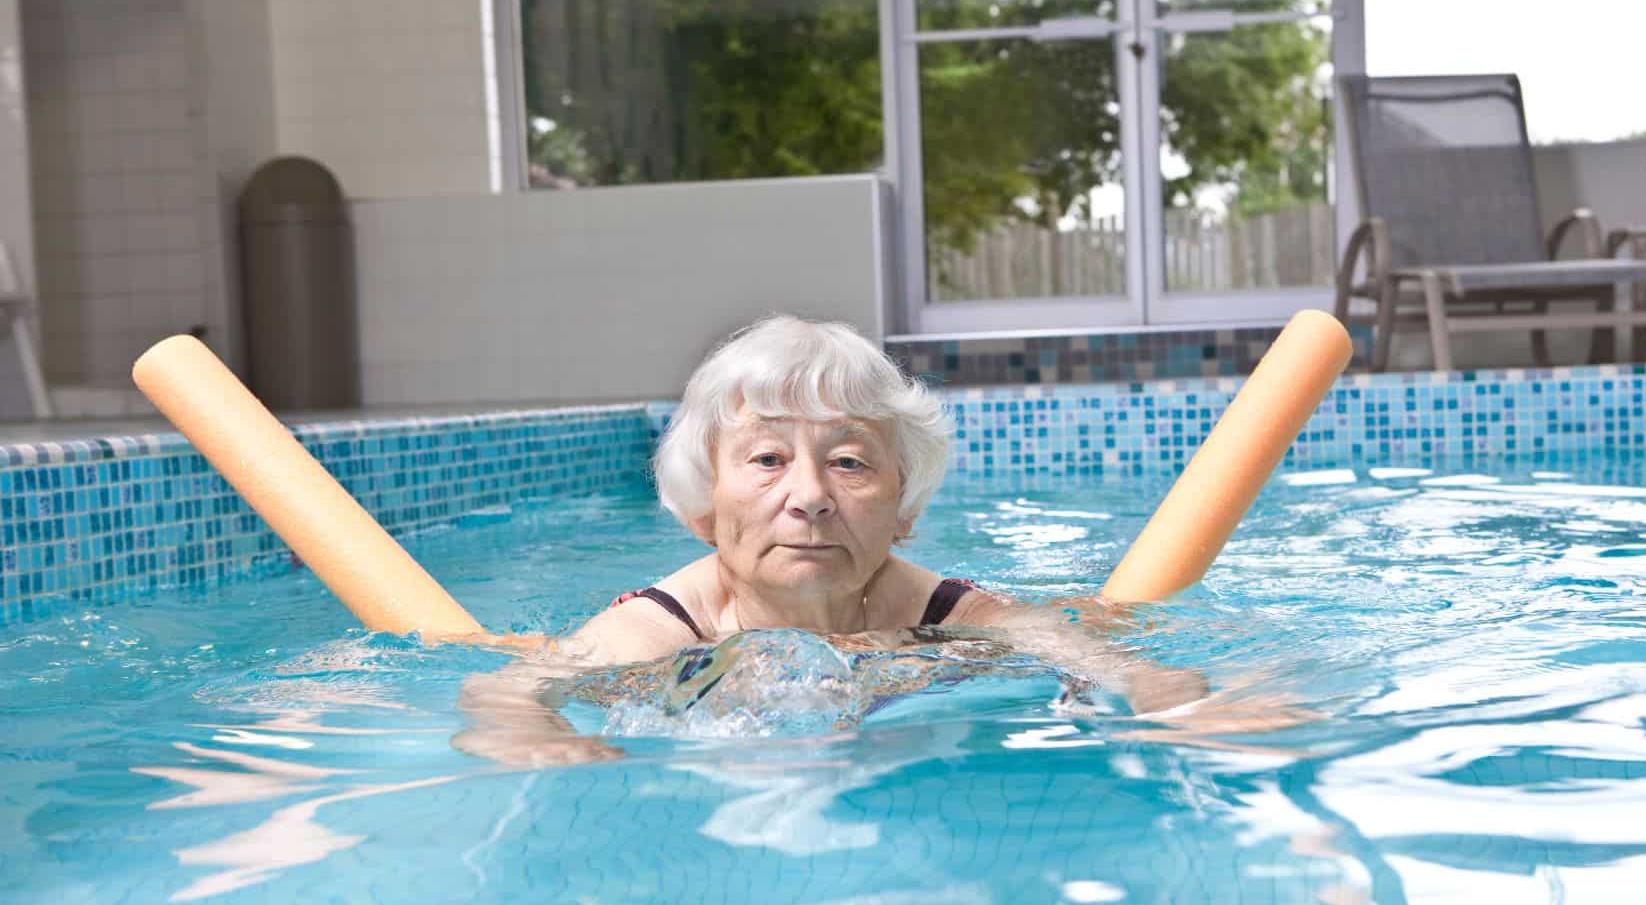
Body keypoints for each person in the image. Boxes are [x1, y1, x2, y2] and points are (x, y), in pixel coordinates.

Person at [455, 315, 1292, 766]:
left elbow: (1094, 654)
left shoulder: (946, 612)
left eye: (849, 461)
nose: (810, 496)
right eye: (768, 458)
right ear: (703, 504)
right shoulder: (662, 629)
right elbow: (501, 695)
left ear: (904, 507)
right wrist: (534, 737)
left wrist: (1172, 698)